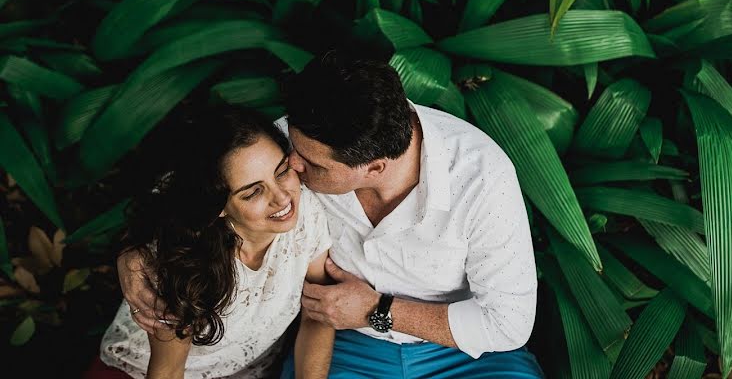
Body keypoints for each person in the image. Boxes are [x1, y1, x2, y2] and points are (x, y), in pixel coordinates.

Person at [120, 54, 543, 378]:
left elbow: (507, 325)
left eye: (309, 165)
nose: (294, 170)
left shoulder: (481, 176)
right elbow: (199, 180)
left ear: (374, 167)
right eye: (291, 155)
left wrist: (379, 309)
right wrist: (136, 254)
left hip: (460, 354)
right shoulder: (307, 139)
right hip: (347, 346)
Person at [89, 105, 333, 379]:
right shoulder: (186, 264)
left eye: (281, 171)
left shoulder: (307, 213)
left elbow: (317, 311)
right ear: (217, 206)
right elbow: (167, 371)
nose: (282, 198)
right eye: (253, 192)